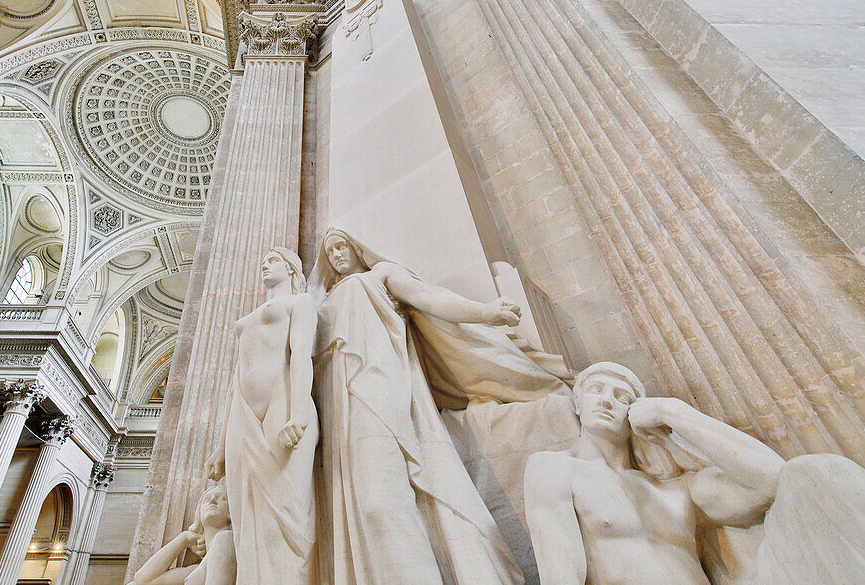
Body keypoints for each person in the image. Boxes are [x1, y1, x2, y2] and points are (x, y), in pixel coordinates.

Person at [308, 227, 571, 584]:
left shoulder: (380, 275)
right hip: (335, 399)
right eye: (330, 251)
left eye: (342, 246)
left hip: (380, 381)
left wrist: (485, 312)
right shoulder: (320, 302)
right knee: (358, 502)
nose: (337, 255)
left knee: (382, 496)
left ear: (358, 248)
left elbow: (429, 298)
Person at [524, 362, 784, 585]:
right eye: (595, 390)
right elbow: (561, 574)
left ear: (637, 413)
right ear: (578, 406)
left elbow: (772, 481)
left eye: (622, 397)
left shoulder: (678, 489)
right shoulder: (555, 468)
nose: (606, 400)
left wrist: (673, 412)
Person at [206, 247, 318, 584]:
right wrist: (219, 445)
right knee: (245, 520)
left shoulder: (300, 303)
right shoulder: (250, 317)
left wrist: (299, 412)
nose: (264, 265)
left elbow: (301, 354)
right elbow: (233, 380)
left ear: (291, 268)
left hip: (281, 401)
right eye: (262, 261)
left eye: (273, 261)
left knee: (285, 514)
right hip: (243, 410)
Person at [132, 483, 236, 585]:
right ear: (199, 514)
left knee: (223, 538)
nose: (212, 500)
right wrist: (184, 538)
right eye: (206, 499)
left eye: (222, 498)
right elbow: (143, 580)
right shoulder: (195, 570)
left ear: (230, 512)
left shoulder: (227, 539)